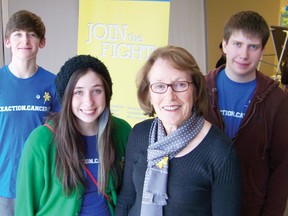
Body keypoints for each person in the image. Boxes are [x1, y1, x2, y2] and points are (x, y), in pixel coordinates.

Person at [115, 45, 242, 216]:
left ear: (196, 91)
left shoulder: (220, 151)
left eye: (180, 84)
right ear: (149, 94)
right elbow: (127, 198)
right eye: (159, 86)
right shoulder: (139, 133)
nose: (170, 96)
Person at [15, 55, 131, 215]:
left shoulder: (122, 131)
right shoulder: (41, 140)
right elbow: (25, 206)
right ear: (66, 96)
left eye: (97, 91)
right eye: (78, 92)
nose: (88, 101)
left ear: (107, 93)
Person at [205, 11, 288, 216]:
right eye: (237, 44)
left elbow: (282, 167)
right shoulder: (199, 90)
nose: (244, 55)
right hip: (202, 203)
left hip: (249, 206)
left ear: (262, 51)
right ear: (224, 45)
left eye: (253, 47)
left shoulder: (276, 101)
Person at [0, 10, 61, 215]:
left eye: (32, 34)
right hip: (3, 186)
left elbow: (61, 135)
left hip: (42, 183)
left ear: (41, 42)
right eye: (17, 34)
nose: (25, 40)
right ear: (7, 41)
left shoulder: (54, 84)